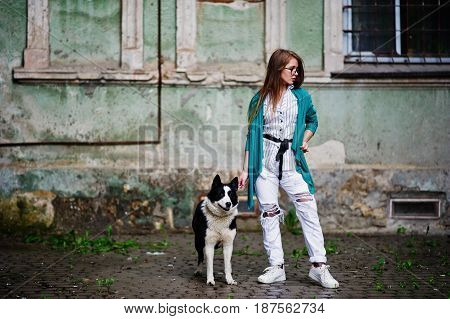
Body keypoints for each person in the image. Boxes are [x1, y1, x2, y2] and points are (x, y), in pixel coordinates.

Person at [238, 49, 339, 288]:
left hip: (292, 163)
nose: (295, 73)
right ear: (277, 69)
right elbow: (251, 136)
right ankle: (276, 267)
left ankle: (319, 267)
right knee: (269, 214)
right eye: (291, 69)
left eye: (297, 69)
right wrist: (244, 170)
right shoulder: (259, 98)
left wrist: (305, 139)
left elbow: (313, 120)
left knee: (308, 209)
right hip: (264, 163)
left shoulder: (302, 97)